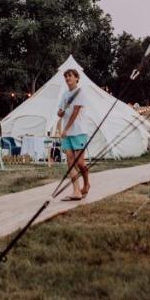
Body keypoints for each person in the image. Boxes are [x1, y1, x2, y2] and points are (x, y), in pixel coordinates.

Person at [55, 67, 93, 201]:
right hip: (67, 134)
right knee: (70, 162)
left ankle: (87, 183)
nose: (67, 78)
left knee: (80, 163)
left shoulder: (80, 92)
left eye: (70, 76)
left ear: (76, 78)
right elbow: (60, 111)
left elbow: (76, 112)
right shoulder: (65, 94)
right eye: (66, 76)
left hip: (78, 131)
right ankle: (76, 191)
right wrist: (60, 113)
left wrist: (66, 129)